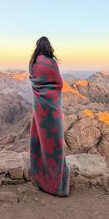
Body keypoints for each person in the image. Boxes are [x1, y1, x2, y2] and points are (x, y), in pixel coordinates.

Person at [28, 36, 71, 197]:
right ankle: (56, 184)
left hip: (39, 109)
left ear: (37, 46)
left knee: (40, 141)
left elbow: (33, 81)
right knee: (55, 144)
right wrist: (51, 91)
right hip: (52, 110)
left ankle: (39, 177)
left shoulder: (32, 63)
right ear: (49, 47)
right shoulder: (51, 62)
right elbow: (59, 83)